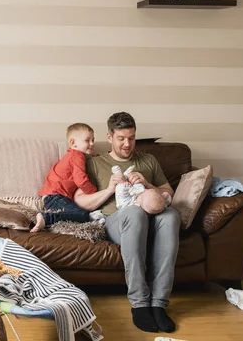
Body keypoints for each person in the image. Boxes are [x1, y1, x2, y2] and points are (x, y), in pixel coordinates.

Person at [74, 112, 180, 333]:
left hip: (152, 219)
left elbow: (169, 193)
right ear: (110, 137)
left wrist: (148, 184)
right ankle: (140, 303)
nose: (127, 143)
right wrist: (109, 190)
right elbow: (80, 200)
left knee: (171, 217)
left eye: (131, 138)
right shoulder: (95, 163)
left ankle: (159, 304)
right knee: (134, 213)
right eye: (121, 138)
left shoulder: (148, 160)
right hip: (119, 221)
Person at [31, 123, 98, 232]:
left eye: (93, 140)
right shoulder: (77, 155)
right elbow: (81, 180)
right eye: (87, 140)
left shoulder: (71, 155)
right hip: (55, 197)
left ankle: (51, 215)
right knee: (83, 215)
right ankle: (46, 218)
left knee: (78, 213)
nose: (92, 144)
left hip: (52, 198)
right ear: (73, 143)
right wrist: (95, 192)